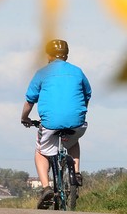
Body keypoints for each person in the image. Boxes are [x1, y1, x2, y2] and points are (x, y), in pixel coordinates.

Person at [20, 39, 91, 209]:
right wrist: (79, 113)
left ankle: (46, 188)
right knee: (73, 141)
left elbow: (30, 101)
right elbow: (87, 94)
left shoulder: (42, 73)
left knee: (41, 152)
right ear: (66, 54)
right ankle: (77, 173)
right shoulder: (78, 72)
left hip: (51, 124)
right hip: (77, 123)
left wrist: (25, 118)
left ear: (48, 55)